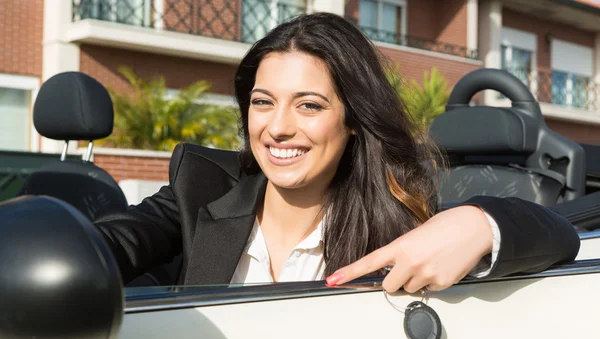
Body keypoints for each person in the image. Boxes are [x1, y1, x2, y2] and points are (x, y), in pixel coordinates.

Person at [94, 12, 579, 293]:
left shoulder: (399, 221)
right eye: (263, 103)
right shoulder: (199, 187)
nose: (278, 128)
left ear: (352, 121)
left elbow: (559, 236)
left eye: (309, 105)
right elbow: (111, 243)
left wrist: (479, 223)